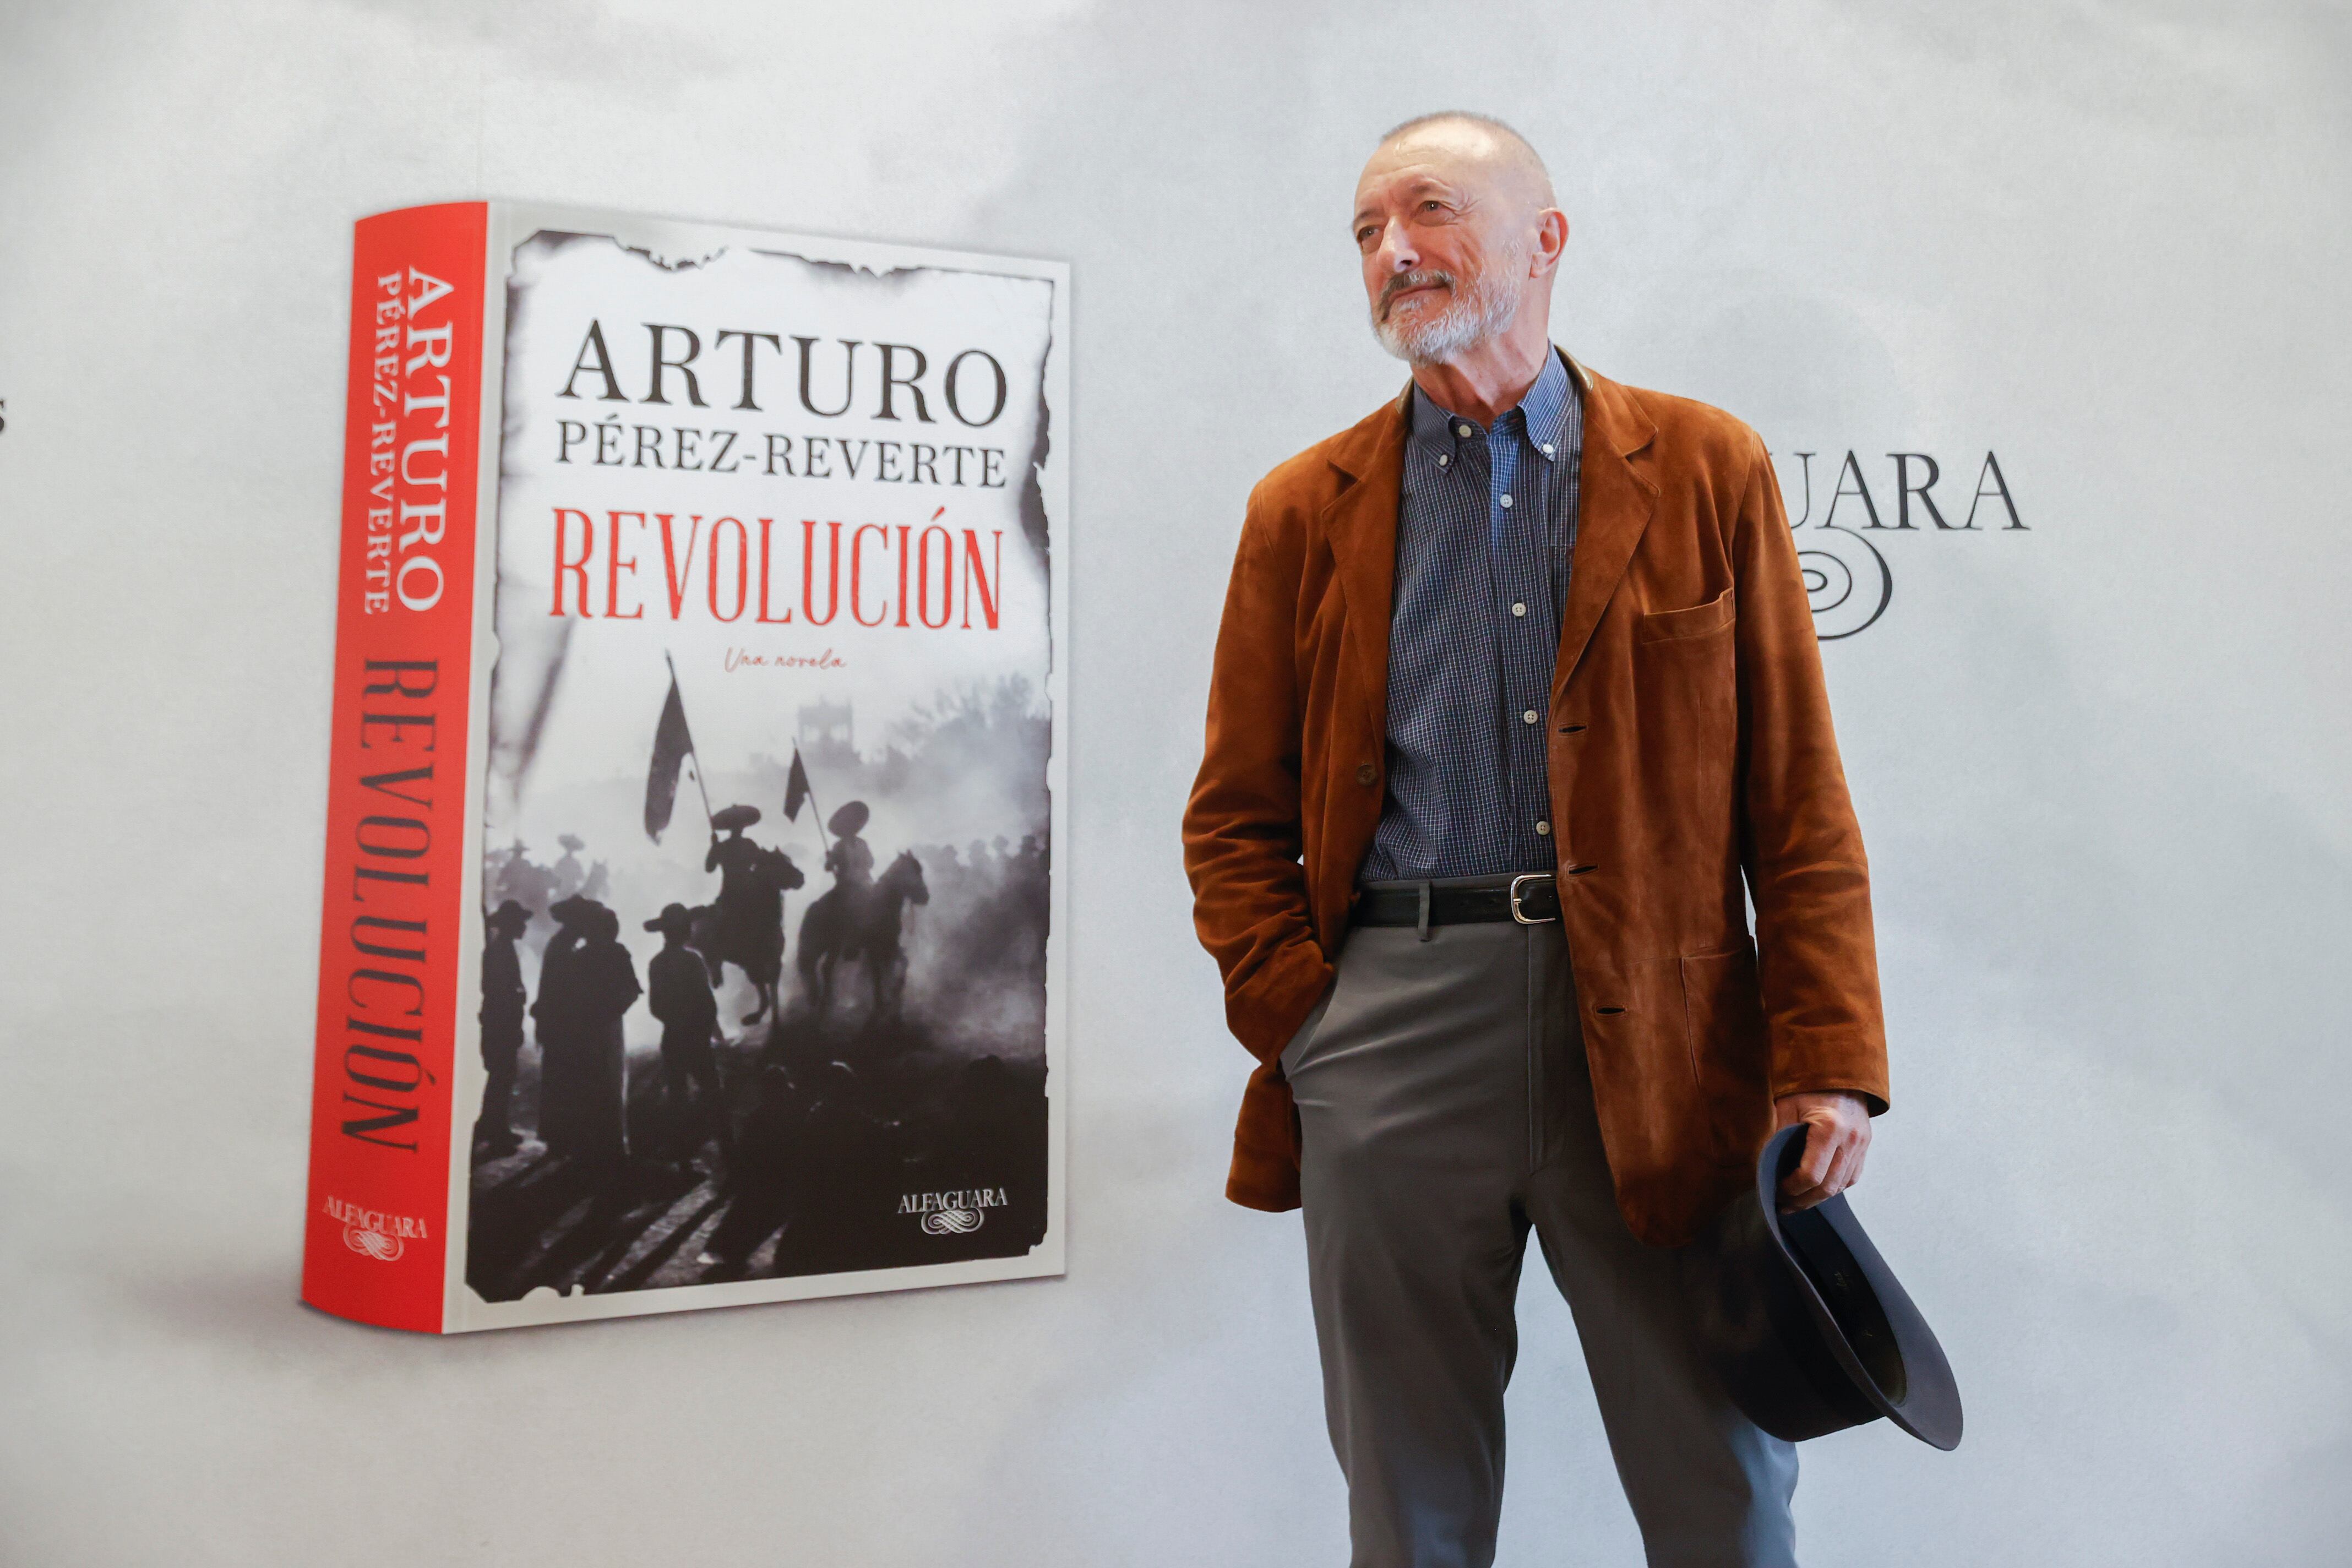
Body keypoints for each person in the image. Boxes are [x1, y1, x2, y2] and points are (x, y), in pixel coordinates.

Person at [1181, 112, 1888, 1568]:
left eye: (1429, 211)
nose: (1394, 252)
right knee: (1411, 1507)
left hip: (1659, 1037)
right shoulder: (1303, 510)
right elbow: (1234, 813)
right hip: (1390, 1028)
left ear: (1544, 237)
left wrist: (1827, 1056)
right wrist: (1308, 1019)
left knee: (1723, 1489)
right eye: (1367, 231)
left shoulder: (1704, 466)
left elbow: (1799, 797)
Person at [644, 901, 734, 1168]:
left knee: (677, 1097)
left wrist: (676, 1021)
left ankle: (683, 1161)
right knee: (713, 1092)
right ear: (685, 931)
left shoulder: (657, 964)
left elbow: (656, 1007)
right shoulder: (692, 960)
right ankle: (729, 1151)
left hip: (673, 1038)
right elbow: (706, 1002)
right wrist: (713, 1032)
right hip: (696, 1038)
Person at [473, 899, 531, 1157]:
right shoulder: (501, 950)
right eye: (520, 922)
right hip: (501, 1022)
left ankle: (493, 1126)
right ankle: (496, 1133)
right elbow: (502, 992)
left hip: (499, 1021)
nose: (524, 926)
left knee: (500, 1076)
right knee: (502, 1076)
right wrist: (513, 1021)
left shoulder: (501, 948)